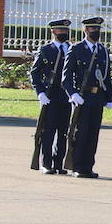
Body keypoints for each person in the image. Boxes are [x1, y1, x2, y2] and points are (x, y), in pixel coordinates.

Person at [60, 16, 112, 178]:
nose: (96, 32)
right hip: (82, 97)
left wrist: (109, 97)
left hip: (97, 98)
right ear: (85, 30)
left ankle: (88, 166)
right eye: (92, 29)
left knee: (93, 134)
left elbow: (107, 76)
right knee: (80, 133)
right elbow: (66, 77)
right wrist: (73, 94)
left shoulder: (102, 50)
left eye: (98, 29)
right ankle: (77, 166)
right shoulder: (76, 49)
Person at [29, 18, 72, 175]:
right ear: (53, 31)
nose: (64, 33)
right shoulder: (46, 50)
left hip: (66, 95)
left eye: (66, 31)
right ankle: (46, 163)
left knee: (64, 131)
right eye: (61, 31)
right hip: (50, 94)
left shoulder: (71, 49)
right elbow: (35, 73)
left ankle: (59, 163)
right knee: (48, 131)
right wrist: (40, 92)